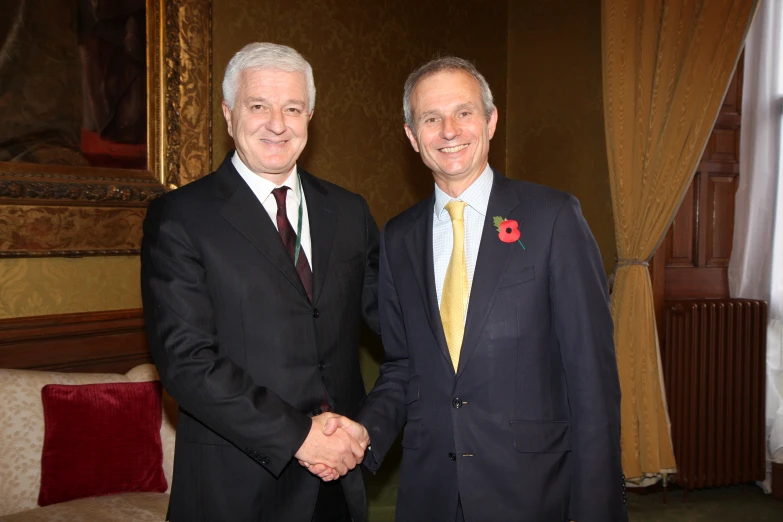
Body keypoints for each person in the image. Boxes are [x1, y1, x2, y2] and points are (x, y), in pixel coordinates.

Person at [310, 57, 627, 521]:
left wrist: (597, 510)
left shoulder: (553, 218)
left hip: (534, 491)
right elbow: (403, 366)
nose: (449, 131)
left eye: (464, 112)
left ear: (491, 120)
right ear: (412, 136)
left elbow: (592, 382)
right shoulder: (399, 237)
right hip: (430, 492)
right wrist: (362, 432)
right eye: (431, 118)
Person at [141, 42, 379, 522]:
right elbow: (187, 363)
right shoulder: (181, 217)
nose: (277, 123)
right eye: (258, 106)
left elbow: (396, 324)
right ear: (229, 116)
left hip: (339, 482)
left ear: (310, 115)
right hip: (236, 488)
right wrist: (300, 436)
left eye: (292, 108)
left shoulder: (349, 212)